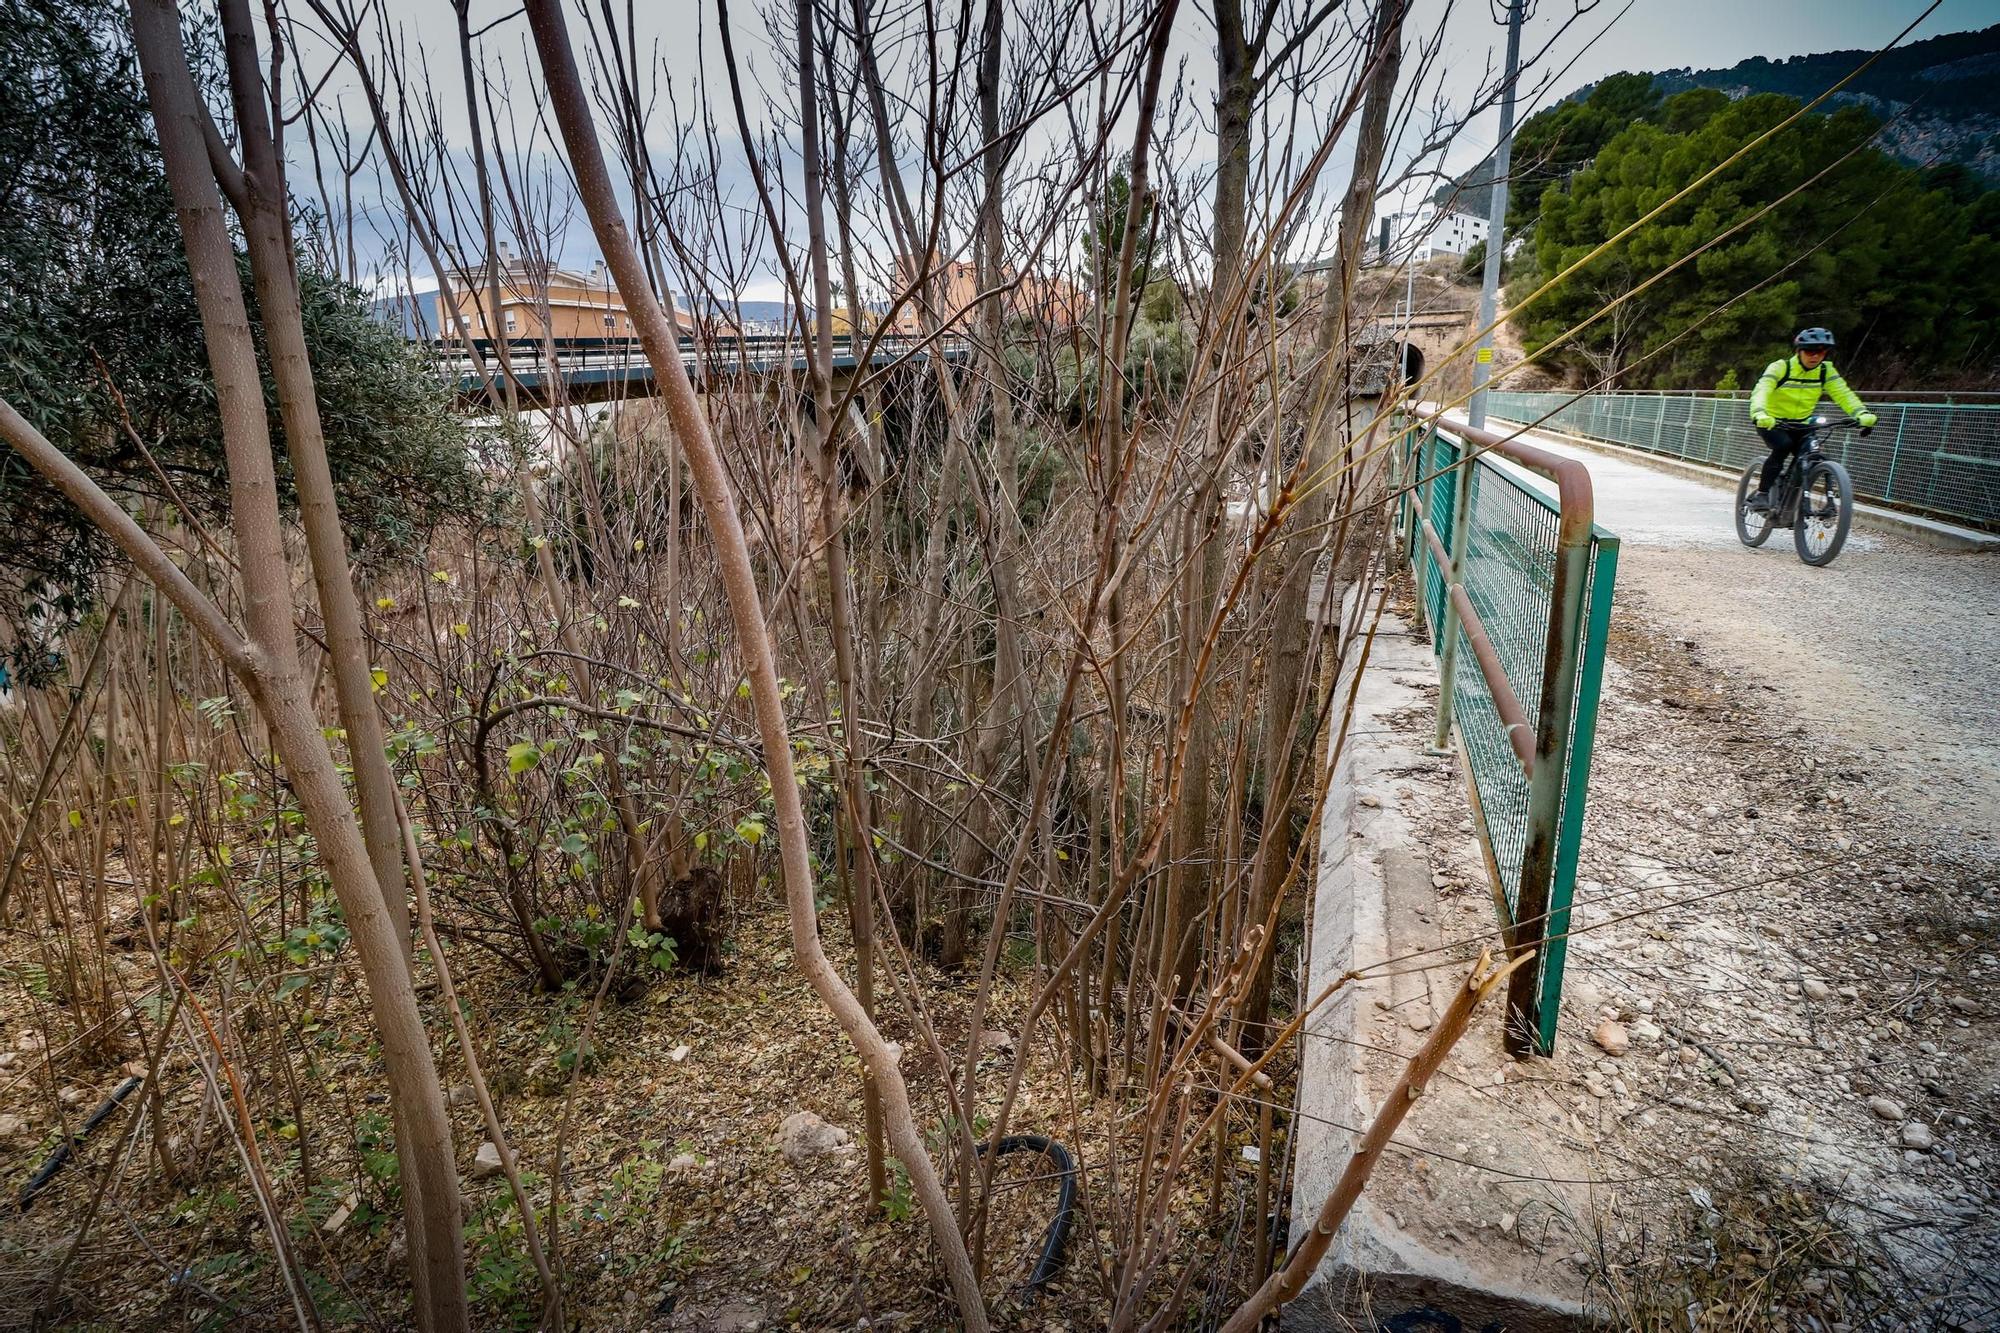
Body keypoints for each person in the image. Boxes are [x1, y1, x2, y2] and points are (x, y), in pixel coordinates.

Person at [1746, 328, 1876, 511]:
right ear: (1799, 351)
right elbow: (1762, 390)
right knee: (1782, 446)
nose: (1815, 356)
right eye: (1810, 351)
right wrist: (1760, 413)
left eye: (1821, 351)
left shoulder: (1825, 370)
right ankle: (1762, 494)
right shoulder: (1781, 367)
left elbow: (1843, 394)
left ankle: (1792, 499)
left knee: (1809, 453)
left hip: (1803, 422)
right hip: (1772, 421)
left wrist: (1861, 413)